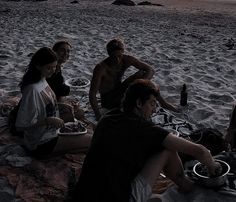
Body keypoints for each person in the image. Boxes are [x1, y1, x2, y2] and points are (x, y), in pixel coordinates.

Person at [70, 79, 221, 202]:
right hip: (119, 197)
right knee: (166, 150)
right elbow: (201, 151)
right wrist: (213, 167)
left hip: (83, 194)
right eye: (152, 103)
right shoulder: (142, 127)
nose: (155, 109)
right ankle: (187, 187)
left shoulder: (108, 118)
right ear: (138, 103)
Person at [15, 47, 92, 158]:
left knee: (88, 130)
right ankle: (51, 154)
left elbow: (43, 105)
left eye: (54, 67)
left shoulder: (43, 79)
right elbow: (21, 126)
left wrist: (60, 105)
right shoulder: (32, 90)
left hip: (52, 131)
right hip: (41, 142)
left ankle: (65, 148)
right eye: (49, 68)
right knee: (93, 141)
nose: (53, 70)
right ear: (38, 66)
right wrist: (48, 120)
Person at [89, 38, 178, 121]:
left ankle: (163, 103)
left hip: (120, 90)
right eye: (114, 57)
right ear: (109, 54)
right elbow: (92, 94)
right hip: (109, 100)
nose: (117, 60)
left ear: (123, 52)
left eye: (119, 56)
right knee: (143, 84)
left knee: (142, 74)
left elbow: (150, 70)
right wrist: (98, 114)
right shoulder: (101, 68)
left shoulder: (126, 59)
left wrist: (141, 84)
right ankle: (160, 103)